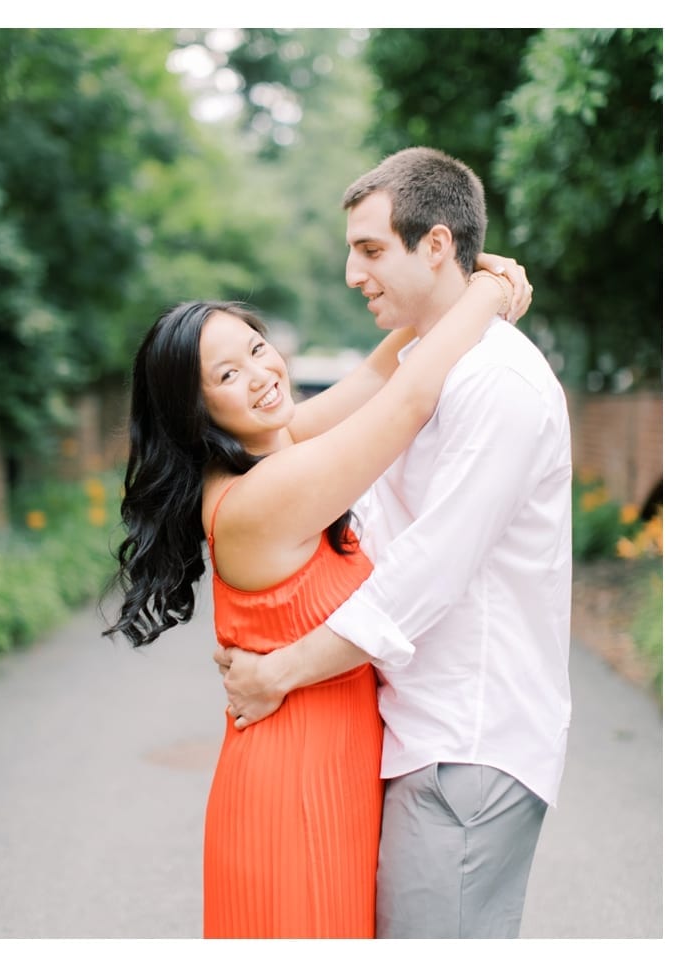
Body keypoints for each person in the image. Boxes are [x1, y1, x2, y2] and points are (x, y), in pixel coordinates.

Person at [104, 225, 530, 932]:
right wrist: (486, 291)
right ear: (196, 409)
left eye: (257, 348)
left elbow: (375, 376)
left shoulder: (273, 447)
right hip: (293, 788)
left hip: (327, 770)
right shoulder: (264, 495)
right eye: (227, 376)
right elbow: (406, 401)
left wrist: (447, 288)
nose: (261, 375)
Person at [216, 147, 572, 939]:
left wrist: (278, 670)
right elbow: (361, 485)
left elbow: (424, 574)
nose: (352, 272)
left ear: (438, 244)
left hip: (467, 741)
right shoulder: (427, 362)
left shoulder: (497, 385)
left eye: (371, 249)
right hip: (414, 735)